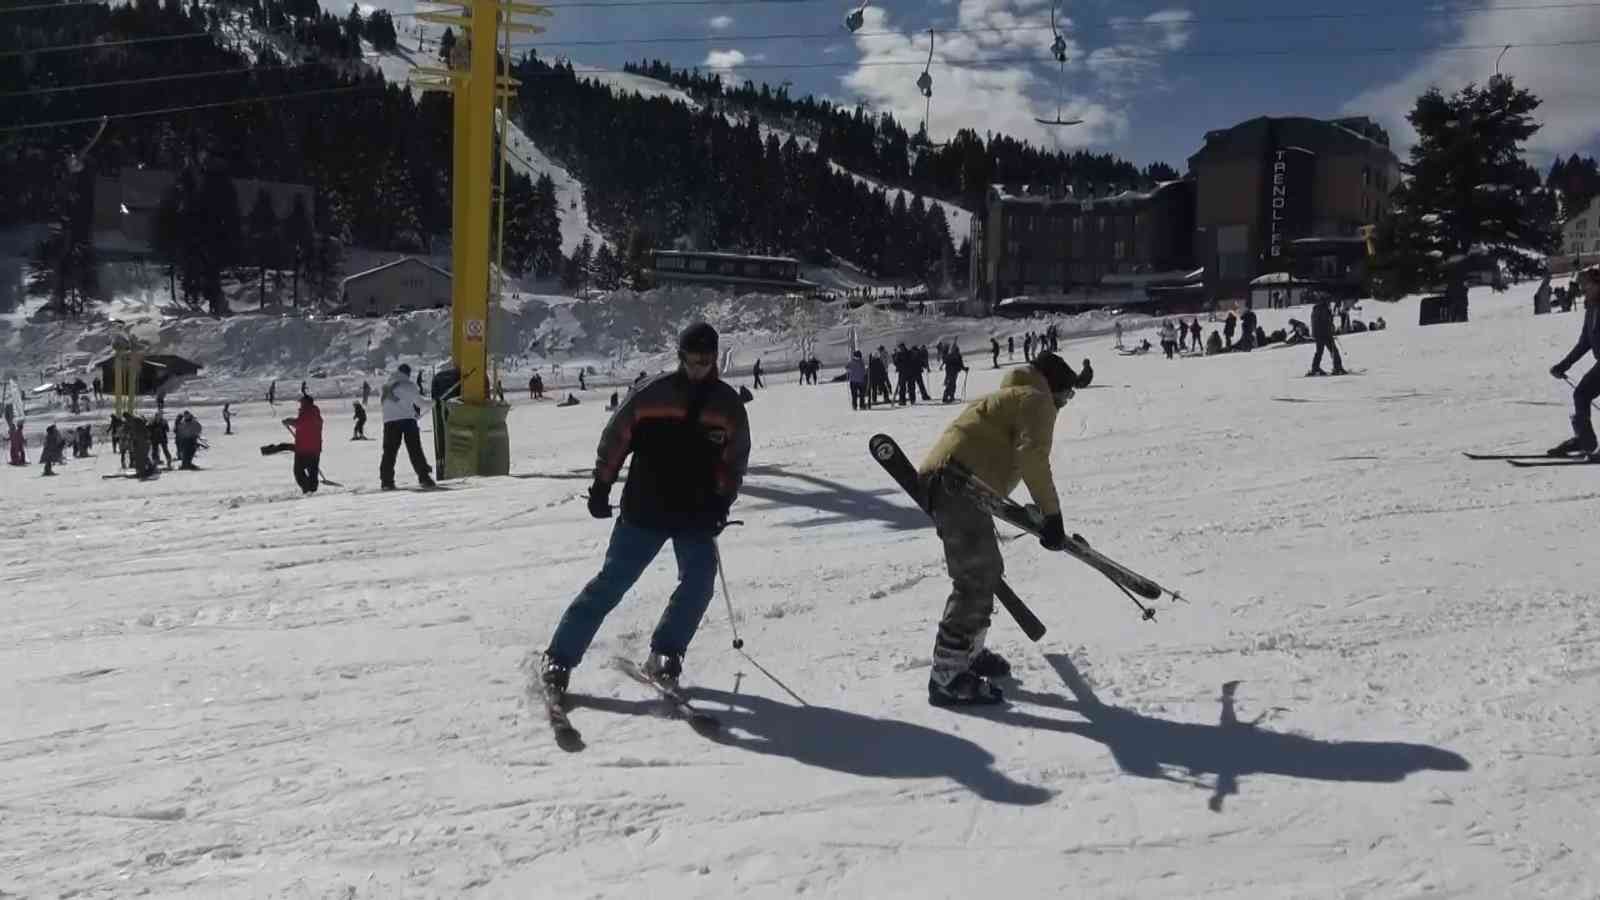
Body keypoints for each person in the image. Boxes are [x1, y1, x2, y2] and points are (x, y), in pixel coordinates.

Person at [538, 322, 751, 700]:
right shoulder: (653, 393)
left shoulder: (727, 405)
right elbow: (615, 438)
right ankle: (560, 657)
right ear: (680, 356)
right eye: (692, 359)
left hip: (696, 514)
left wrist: (722, 502)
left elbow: (734, 460)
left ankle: (666, 653)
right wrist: (602, 486)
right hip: (645, 508)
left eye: (706, 360)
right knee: (612, 583)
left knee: (699, 583)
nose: (699, 367)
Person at [917, 351, 1079, 705]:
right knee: (976, 575)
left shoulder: (1011, 397)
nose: (1065, 404)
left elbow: (1002, 456)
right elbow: (1032, 456)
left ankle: (968, 653)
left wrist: (1033, 511)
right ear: (1055, 386)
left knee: (986, 570)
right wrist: (1053, 516)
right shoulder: (1037, 400)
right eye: (1067, 395)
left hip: (957, 485)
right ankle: (947, 675)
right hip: (958, 486)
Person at [1548, 265, 1600, 457]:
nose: (1584, 288)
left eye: (1587, 284)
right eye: (1583, 285)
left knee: (1582, 394)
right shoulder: (1592, 308)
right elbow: (1585, 343)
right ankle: (1585, 440)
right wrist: (1563, 365)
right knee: (1581, 395)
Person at [379, 364, 435, 490]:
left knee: (389, 452)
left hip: (389, 422)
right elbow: (419, 403)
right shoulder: (409, 385)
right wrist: (433, 402)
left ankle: (386, 481)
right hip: (408, 422)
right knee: (415, 450)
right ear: (408, 373)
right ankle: (424, 477)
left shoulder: (386, 386)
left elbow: (391, 404)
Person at [284, 395, 323, 493]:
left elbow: (301, 424)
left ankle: (308, 489)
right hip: (313, 448)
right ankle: (311, 489)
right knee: (312, 471)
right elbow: (302, 423)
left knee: (299, 471)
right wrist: (291, 421)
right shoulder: (314, 412)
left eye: (301, 402)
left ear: (306, 402)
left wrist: (290, 421)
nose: (300, 404)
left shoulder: (308, 412)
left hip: (304, 448)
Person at [1307, 297, 1346, 376]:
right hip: (1324, 334)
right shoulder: (1323, 309)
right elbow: (1325, 322)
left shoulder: (1317, 309)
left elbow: (1320, 322)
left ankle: (1315, 368)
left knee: (1319, 352)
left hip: (1319, 334)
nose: (1330, 303)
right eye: (1329, 301)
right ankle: (1337, 367)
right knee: (1333, 350)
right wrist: (1331, 328)